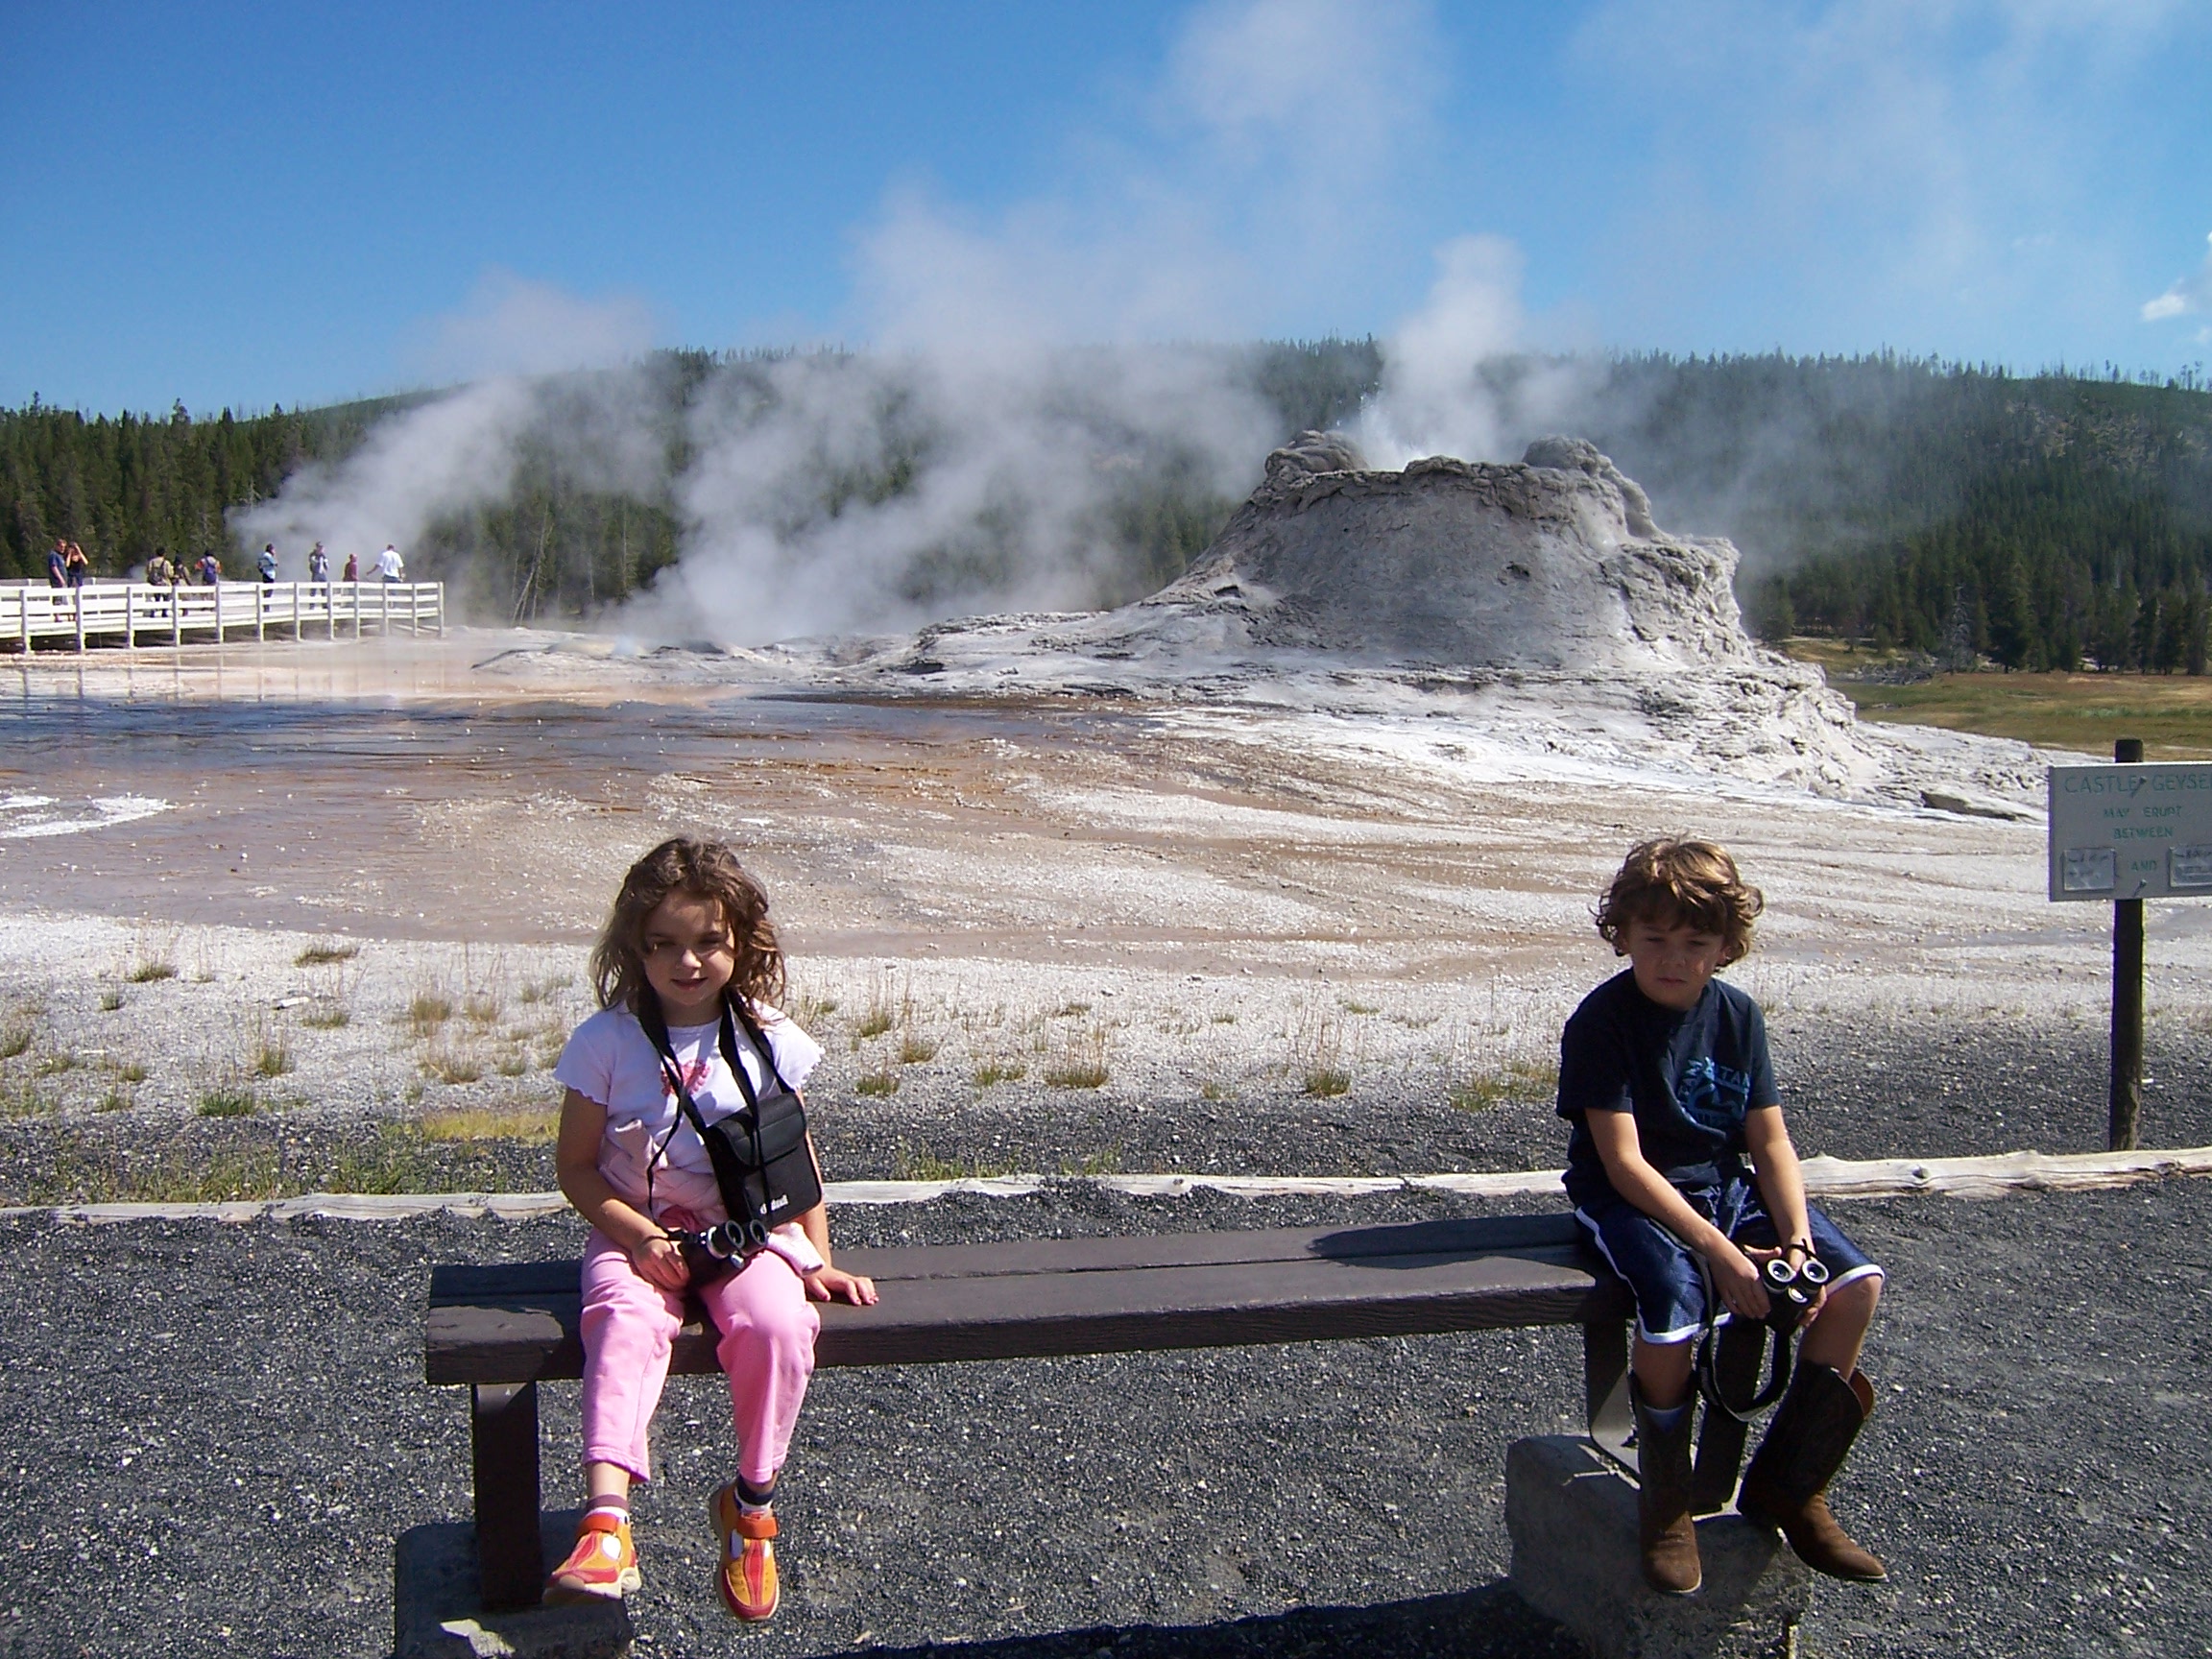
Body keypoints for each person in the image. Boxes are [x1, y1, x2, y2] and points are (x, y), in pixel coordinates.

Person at [547, 836, 878, 1620]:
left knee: (779, 1325)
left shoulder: (768, 1036)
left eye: (707, 943)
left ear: (742, 942)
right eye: (664, 944)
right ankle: (607, 1522)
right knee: (622, 1321)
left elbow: (794, 1157)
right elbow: (578, 1169)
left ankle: (752, 1506)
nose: (686, 963)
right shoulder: (606, 1042)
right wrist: (635, 1237)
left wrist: (817, 1261)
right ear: (635, 945)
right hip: (641, 1238)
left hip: (745, 1233)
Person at [1556, 838, 1886, 1595]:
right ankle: (1667, 1504)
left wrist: (1795, 1235)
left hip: (1724, 1186)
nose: (1673, 959)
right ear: (1624, 937)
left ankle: (1791, 1487)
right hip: (1632, 1196)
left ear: (1726, 947)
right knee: (1672, 1315)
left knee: (1856, 1283)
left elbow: (1768, 1139)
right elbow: (1623, 1163)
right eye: (1654, 941)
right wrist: (1718, 1254)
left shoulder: (1736, 1015)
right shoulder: (1604, 1020)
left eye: (1695, 943)